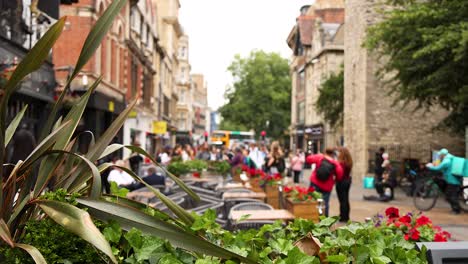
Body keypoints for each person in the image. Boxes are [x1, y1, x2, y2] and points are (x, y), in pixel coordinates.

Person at [306, 148, 343, 217]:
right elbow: (340, 174)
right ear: (332, 154)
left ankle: (310, 216)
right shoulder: (335, 163)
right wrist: (335, 180)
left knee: (311, 200)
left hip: (315, 182)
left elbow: (308, 159)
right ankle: (324, 219)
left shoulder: (320, 157)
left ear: (325, 152)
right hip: (327, 186)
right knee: (324, 203)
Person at [426, 148, 462, 214]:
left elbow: (439, 168)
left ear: (443, 154)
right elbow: (444, 169)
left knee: (450, 195)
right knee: (450, 194)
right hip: (452, 180)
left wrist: (430, 166)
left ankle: (457, 210)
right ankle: (455, 208)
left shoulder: (447, 161)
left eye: (440, 155)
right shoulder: (450, 158)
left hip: (452, 181)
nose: (440, 156)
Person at [336, 147, 353, 222]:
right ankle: (346, 216)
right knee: (346, 199)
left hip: (341, 181)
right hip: (348, 180)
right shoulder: (349, 162)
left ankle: (343, 216)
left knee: (342, 199)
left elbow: (340, 173)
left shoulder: (341, 163)